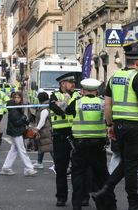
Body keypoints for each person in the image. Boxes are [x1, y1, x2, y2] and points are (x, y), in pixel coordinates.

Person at [92, 50, 138, 210]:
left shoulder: (114, 77)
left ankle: (106, 189)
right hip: (134, 128)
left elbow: (107, 105)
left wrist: (109, 125)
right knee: (131, 167)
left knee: (127, 161)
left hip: (119, 126)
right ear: (137, 62)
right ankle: (133, 204)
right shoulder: (137, 77)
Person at [65, 78, 110, 210]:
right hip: (98, 145)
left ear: (83, 91)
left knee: (78, 176)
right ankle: (102, 205)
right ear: (96, 91)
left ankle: (77, 205)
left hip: (80, 145)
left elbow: (67, 112)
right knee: (100, 176)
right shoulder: (102, 103)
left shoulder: (77, 102)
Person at [49, 72, 80, 206]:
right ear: (62, 84)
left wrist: (65, 104)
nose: (73, 84)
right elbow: (58, 110)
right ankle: (61, 197)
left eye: (74, 82)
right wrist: (66, 101)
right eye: (70, 82)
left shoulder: (79, 96)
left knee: (79, 169)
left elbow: (72, 111)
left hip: (77, 135)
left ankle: (81, 197)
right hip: (60, 136)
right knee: (61, 169)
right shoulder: (54, 96)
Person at [0, 92, 37, 176]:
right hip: (16, 131)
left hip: (15, 131)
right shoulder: (13, 109)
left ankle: (6, 168)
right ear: (13, 98)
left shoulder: (15, 107)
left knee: (14, 150)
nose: (17, 99)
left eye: (18, 97)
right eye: (15, 97)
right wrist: (24, 119)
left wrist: (24, 120)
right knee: (22, 150)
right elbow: (17, 122)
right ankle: (29, 168)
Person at [32, 92, 54, 169]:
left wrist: (37, 128)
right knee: (41, 145)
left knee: (50, 147)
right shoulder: (45, 106)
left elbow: (42, 120)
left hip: (45, 130)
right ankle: (39, 162)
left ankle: (55, 163)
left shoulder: (44, 108)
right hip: (44, 130)